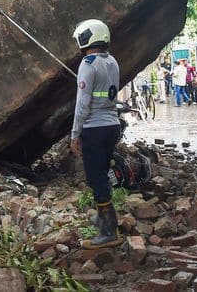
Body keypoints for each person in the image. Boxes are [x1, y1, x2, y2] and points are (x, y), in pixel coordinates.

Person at [70, 19, 121, 249]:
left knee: (96, 178)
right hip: (112, 126)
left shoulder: (87, 64)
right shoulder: (112, 61)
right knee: (102, 173)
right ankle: (104, 217)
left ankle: (109, 231)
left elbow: (82, 105)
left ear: (86, 39)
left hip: (94, 129)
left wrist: (74, 135)